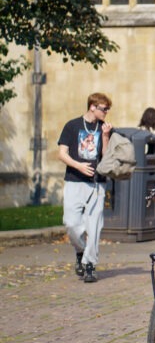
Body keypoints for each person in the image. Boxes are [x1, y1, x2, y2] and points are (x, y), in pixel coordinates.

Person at [58, 93, 114, 283]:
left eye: (107, 109)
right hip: (74, 180)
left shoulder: (104, 129)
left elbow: (106, 157)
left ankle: (90, 264)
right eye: (103, 108)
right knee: (71, 223)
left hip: (97, 183)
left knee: (94, 226)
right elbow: (62, 153)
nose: (106, 112)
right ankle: (81, 251)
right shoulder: (72, 126)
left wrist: (105, 137)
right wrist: (78, 165)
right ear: (92, 106)